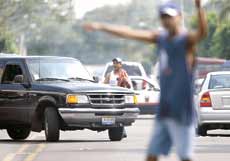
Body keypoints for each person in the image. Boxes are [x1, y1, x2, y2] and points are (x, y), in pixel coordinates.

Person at [84, 0, 207, 161]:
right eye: (163, 17)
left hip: (182, 113)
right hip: (164, 111)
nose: (167, 20)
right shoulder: (160, 38)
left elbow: (201, 33)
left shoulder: (186, 41)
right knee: (151, 155)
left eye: (170, 16)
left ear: (179, 17)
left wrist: (199, 8)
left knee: (185, 157)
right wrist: (101, 27)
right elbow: (130, 33)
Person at [104, 58, 131, 138]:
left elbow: (129, 86)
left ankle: (121, 131)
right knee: (113, 115)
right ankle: (121, 131)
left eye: (117, 63)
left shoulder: (124, 73)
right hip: (111, 99)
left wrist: (125, 81)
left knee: (119, 115)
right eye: (114, 63)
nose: (115, 64)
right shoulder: (110, 74)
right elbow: (104, 84)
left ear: (120, 64)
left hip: (120, 98)